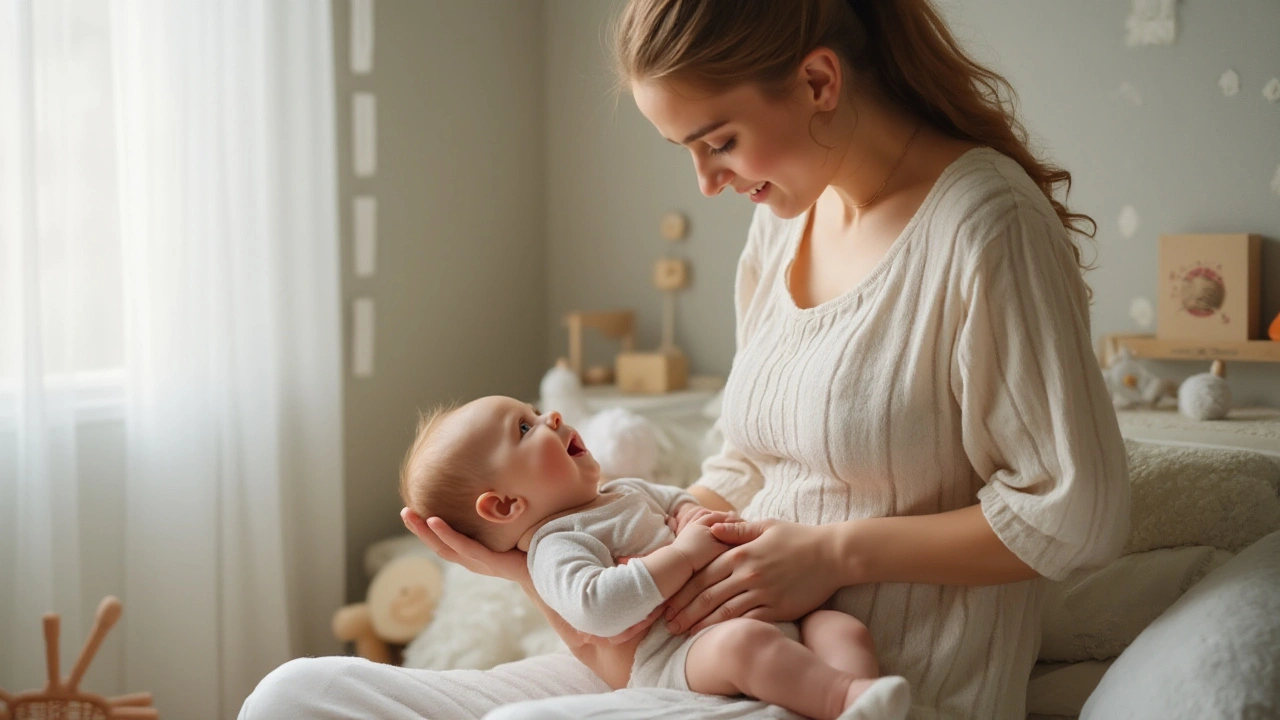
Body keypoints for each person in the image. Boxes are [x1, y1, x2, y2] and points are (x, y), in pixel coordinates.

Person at [239, 0, 1129, 718]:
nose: (707, 182)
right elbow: (741, 464)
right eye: (690, 152)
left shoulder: (984, 227)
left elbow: (1073, 511)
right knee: (298, 697)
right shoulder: (785, 226)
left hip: (855, 680)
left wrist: (832, 555)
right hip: (690, 655)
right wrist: (549, 559)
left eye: (720, 141)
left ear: (819, 79)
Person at [397, 395, 911, 720]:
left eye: (534, 411)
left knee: (841, 629)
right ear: (507, 505)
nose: (550, 416)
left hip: (753, 614)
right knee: (746, 646)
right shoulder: (557, 545)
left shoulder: (621, 491)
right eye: (525, 430)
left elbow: (678, 500)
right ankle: (841, 701)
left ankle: (867, 699)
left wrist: (689, 515)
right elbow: (597, 608)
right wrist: (685, 553)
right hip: (673, 657)